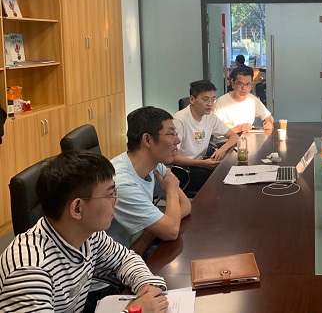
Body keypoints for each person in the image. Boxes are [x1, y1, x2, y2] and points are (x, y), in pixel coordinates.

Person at [0, 150, 168, 313]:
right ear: (77, 208)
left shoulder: (89, 235)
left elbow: (124, 259)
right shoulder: (29, 271)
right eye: (110, 194)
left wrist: (146, 284)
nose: (116, 201)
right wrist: (134, 311)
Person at [107, 107, 192, 248]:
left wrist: (152, 229)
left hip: (141, 244)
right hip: (122, 257)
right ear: (147, 140)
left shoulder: (155, 164)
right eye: (171, 134)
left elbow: (186, 205)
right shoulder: (121, 183)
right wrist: (171, 190)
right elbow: (171, 231)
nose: (177, 140)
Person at [173, 80, 239, 194]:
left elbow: (233, 136)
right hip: (183, 170)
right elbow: (172, 157)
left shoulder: (210, 116)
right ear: (192, 99)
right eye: (206, 99)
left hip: (201, 163)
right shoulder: (179, 120)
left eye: (213, 99)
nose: (210, 104)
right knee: (222, 178)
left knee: (231, 169)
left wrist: (222, 149)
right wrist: (203, 164)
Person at [214, 66, 274, 133]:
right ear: (233, 84)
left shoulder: (252, 100)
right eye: (240, 84)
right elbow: (214, 129)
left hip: (248, 137)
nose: (243, 88)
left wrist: (269, 123)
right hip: (227, 139)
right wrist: (238, 129)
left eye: (247, 84)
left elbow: (268, 116)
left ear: (251, 84)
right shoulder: (221, 102)